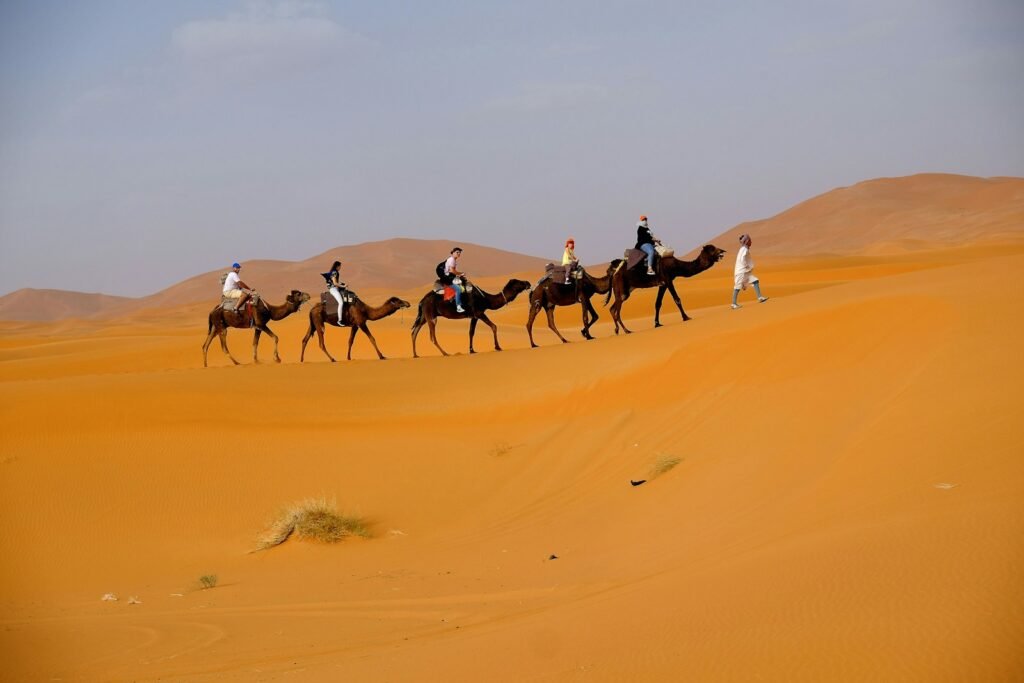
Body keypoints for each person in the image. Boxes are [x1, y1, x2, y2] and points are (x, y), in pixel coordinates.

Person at [731, 234, 768, 309]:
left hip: (745, 272)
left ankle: (760, 297)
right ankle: (733, 304)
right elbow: (742, 259)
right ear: (747, 241)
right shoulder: (744, 249)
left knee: (755, 281)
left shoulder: (744, 249)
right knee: (737, 287)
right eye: (750, 240)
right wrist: (746, 266)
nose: (751, 242)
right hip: (741, 272)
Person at [321, 260, 347, 325]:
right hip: (334, 289)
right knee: (341, 303)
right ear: (337, 266)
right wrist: (343, 285)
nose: (340, 268)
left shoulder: (333, 272)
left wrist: (342, 284)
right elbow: (335, 283)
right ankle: (340, 320)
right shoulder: (334, 272)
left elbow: (335, 281)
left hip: (335, 288)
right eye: (340, 266)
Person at [443, 247, 466, 313]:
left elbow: (452, 272)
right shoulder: (452, 260)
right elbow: (452, 270)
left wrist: (458, 275)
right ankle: (458, 306)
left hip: (450, 277)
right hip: (447, 279)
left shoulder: (453, 260)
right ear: (452, 253)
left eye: (459, 253)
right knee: (458, 289)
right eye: (457, 252)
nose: (458, 254)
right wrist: (460, 273)